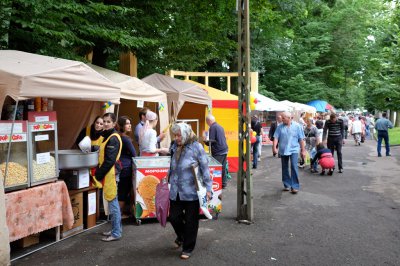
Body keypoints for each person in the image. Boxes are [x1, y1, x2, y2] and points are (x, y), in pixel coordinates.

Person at [168, 123, 212, 259]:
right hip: (176, 190)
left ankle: (188, 247)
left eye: (179, 135)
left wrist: (208, 188)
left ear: (186, 133)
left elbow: (205, 168)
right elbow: (172, 164)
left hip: (192, 191)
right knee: (174, 217)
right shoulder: (174, 146)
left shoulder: (197, 147)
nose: (176, 138)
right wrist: (168, 177)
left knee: (191, 220)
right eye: (175, 135)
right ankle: (182, 237)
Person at [92, 113, 122, 242]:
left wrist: (97, 175)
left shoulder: (113, 138)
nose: (105, 124)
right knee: (112, 203)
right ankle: (116, 229)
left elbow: (109, 161)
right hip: (108, 174)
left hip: (110, 174)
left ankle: (116, 233)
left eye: (108, 121)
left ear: (114, 123)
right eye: (104, 121)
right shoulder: (107, 136)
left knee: (113, 203)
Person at [273, 112, 306, 194]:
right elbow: (276, 137)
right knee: (285, 167)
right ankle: (286, 184)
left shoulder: (297, 126)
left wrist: (303, 150)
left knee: (294, 167)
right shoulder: (280, 127)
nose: (282, 119)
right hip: (283, 149)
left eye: (283, 118)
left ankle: (294, 186)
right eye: (282, 117)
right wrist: (274, 147)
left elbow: (301, 139)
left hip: (294, 149)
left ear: (289, 118)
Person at [117, 116, 136, 218]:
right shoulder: (125, 139)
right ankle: (119, 214)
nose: (130, 125)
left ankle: (120, 213)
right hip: (126, 167)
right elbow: (134, 154)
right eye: (127, 124)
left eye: (130, 123)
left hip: (121, 167)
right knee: (123, 192)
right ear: (121, 126)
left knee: (121, 191)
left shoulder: (118, 136)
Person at [204, 114, 229, 188]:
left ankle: (216, 184)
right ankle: (224, 183)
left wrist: (205, 141)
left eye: (206, 122)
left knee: (216, 167)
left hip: (218, 150)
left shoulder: (212, 127)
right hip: (224, 149)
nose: (207, 124)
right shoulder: (220, 126)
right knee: (223, 167)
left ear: (208, 121)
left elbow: (211, 140)